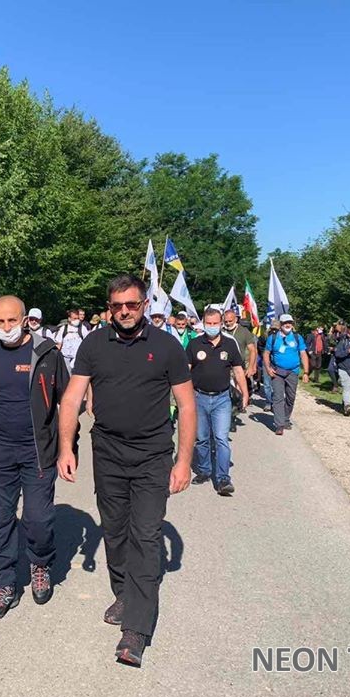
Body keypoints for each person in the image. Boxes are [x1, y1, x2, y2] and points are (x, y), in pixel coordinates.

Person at [57, 273, 197, 668]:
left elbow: (187, 405)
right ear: (109, 308)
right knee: (115, 531)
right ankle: (124, 592)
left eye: (132, 304)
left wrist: (183, 461)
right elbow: (72, 398)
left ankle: (136, 627)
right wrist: (66, 447)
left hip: (153, 454)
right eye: (117, 306)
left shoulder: (167, 346)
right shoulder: (93, 344)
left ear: (144, 305)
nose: (124, 312)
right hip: (108, 453)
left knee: (146, 536)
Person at [0, 296, 71, 619]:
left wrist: (68, 448)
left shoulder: (47, 354)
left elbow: (68, 402)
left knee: (38, 520)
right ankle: (3, 583)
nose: (6, 327)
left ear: (25, 320)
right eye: (0, 322)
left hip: (37, 452)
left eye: (12, 320)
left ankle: (40, 564)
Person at [186, 308, 246, 496]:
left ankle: (223, 478)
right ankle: (204, 470)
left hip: (222, 399)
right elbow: (186, 370)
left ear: (221, 324)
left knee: (221, 438)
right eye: (208, 323)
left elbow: (238, 370)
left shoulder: (229, 344)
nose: (212, 326)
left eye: (215, 323)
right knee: (202, 438)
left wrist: (245, 393)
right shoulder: (194, 344)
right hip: (199, 398)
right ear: (203, 323)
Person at [262, 313, 309, 436]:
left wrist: (306, 372)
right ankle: (279, 424)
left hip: (293, 371)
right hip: (277, 372)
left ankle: (286, 418)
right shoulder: (273, 338)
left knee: (290, 397)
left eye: (290, 323)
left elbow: (303, 354)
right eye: (285, 323)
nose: (288, 325)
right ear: (280, 324)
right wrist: (268, 368)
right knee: (278, 397)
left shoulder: (297, 337)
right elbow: (266, 353)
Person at [221, 309, 257, 412]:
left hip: (239, 365)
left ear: (236, 319)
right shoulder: (221, 331)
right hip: (224, 365)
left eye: (230, 321)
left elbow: (252, 350)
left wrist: (251, 367)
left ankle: (238, 407)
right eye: (226, 321)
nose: (228, 323)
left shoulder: (244, 332)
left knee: (238, 388)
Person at [53, 308, 90, 373]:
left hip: (78, 359)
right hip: (65, 359)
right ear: (69, 318)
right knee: (65, 376)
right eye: (74, 318)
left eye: (77, 318)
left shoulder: (82, 328)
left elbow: (88, 343)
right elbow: (59, 344)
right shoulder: (63, 329)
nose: (77, 320)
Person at [327, 320, 346, 390]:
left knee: (339, 370)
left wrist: (334, 348)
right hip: (335, 354)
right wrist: (330, 332)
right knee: (330, 369)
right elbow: (329, 341)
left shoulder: (345, 335)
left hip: (343, 354)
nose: (336, 327)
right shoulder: (336, 333)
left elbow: (342, 345)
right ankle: (335, 385)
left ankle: (336, 385)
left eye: (337, 326)